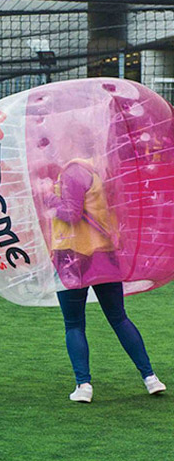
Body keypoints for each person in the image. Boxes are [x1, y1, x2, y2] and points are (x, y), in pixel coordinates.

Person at [43, 158, 165, 403]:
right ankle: (150, 377)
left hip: (73, 255)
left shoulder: (73, 172)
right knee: (119, 317)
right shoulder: (100, 170)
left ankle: (83, 385)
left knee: (74, 323)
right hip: (104, 253)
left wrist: (48, 198)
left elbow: (71, 213)